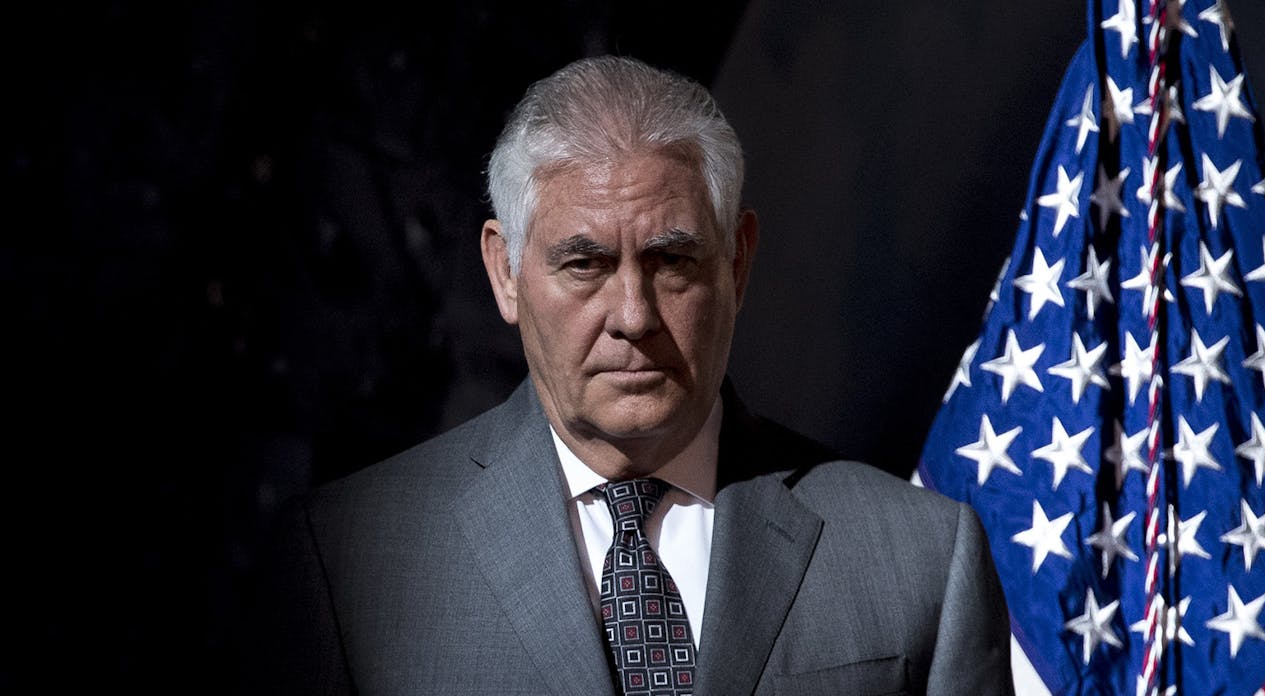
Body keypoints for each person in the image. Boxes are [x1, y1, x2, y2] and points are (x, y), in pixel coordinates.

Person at [264, 55, 1012, 695]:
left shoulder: (920, 557)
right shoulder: (348, 560)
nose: (633, 314)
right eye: (583, 264)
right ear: (505, 272)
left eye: (671, 260)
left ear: (738, 263)